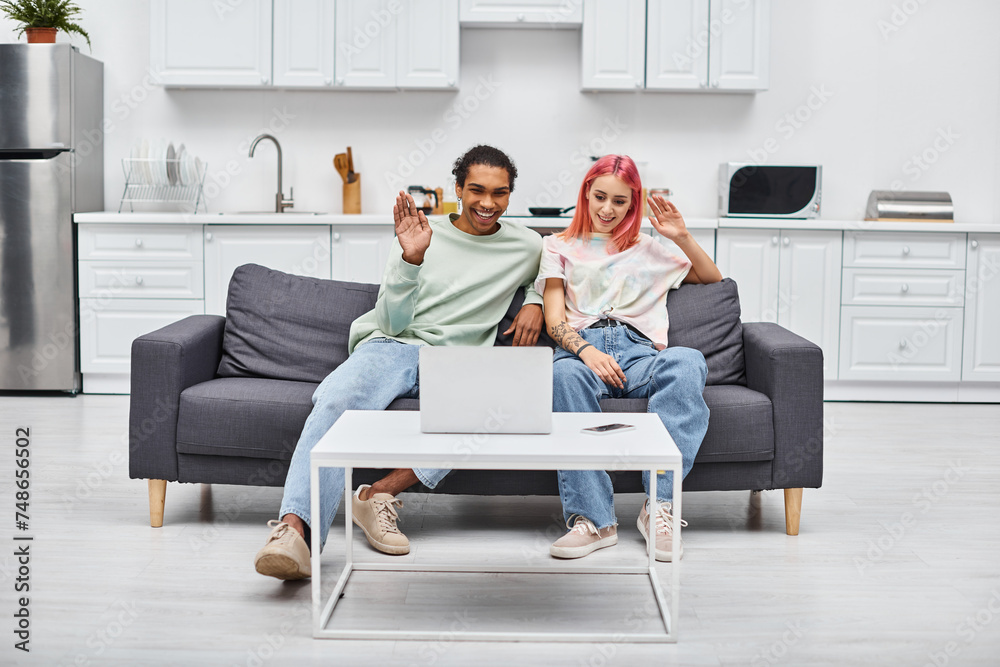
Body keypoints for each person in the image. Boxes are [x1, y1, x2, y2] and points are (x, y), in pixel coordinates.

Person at [254, 145, 545, 580]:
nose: (488, 203)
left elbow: (556, 268)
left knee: (484, 412)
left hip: (458, 361)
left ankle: (376, 497)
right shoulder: (419, 233)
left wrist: (536, 301)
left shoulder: (526, 245)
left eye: (499, 193)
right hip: (394, 345)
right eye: (477, 190)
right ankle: (294, 531)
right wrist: (411, 258)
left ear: (510, 194)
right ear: (459, 190)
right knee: (334, 401)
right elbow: (392, 320)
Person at [534, 154, 722, 562]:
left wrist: (682, 236)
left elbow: (712, 280)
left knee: (687, 361)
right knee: (561, 378)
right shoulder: (557, 245)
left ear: (632, 203)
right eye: (600, 196)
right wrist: (586, 352)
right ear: (585, 193)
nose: (607, 209)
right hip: (583, 349)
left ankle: (659, 505)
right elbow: (553, 320)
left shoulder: (649, 248)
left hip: (640, 352)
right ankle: (595, 521)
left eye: (619, 201)